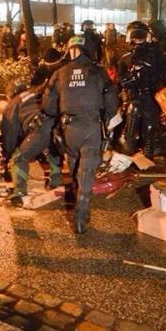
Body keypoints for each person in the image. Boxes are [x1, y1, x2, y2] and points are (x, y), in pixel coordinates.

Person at [43, 36, 118, 234]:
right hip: (91, 127)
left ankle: (79, 204)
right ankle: (80, 215)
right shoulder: (99, 72)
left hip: (69, 129)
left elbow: (48, 106)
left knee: (75, 166)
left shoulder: (59, 73)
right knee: (87, 171)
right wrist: (105, 117)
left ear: (70, 51)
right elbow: (112, 100)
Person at [2, 80, 62, 206]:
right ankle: (56, 182)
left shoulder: (13, 104)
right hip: (58, 126)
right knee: (51, 149)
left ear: (10, 94)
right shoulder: (37, 90)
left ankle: (19, 193)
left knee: (18, 158)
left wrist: (8, 158)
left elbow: (10, 136)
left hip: (40, 128)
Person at [118, 22, 162, 158]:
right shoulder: (126, 57)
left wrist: (147, 69)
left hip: (150, 92)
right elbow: (121, 78)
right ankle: (128, 153)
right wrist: (130, 78)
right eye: (135, 38)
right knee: (132, 119)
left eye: (141, 37)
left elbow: (162, 73)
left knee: (149, 125)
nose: (138, 41)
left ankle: (148, 155)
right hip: (134, 94)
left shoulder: (155, 55)